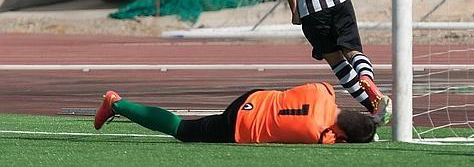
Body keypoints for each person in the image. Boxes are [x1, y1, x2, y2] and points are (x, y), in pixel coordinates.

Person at [93, 83, 378, 144]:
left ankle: (118, 104)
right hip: (240, 126)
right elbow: (330, 137)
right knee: (182, 130)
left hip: (252, 97)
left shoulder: (324, 91)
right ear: (340, 135)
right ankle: (116, 104)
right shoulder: (320, 135)